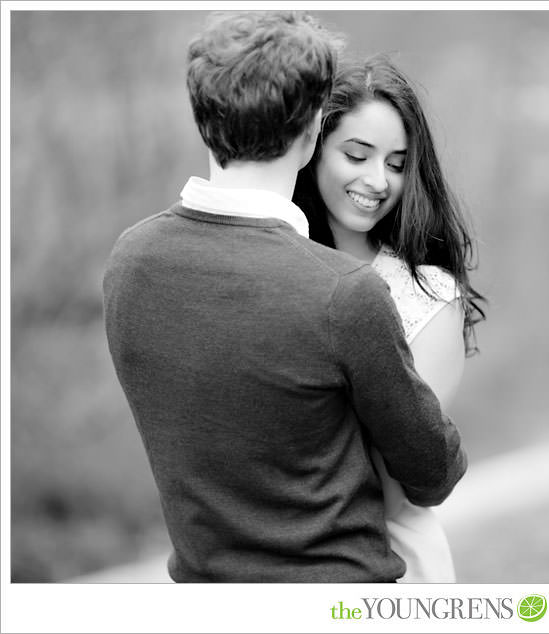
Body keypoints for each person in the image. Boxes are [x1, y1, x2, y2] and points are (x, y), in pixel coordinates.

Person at [102, 12, 467, 583]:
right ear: (312, 133)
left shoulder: (129, 261)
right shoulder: (341, 291)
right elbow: (431, 472)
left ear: (204, 122)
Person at [293, 56, 486, 582]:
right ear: (312, 152)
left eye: (397, 164)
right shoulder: (278, 271)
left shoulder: (428, 297)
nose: (378, 181)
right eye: (357, 154)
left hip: (392, 561)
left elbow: (405, 473)